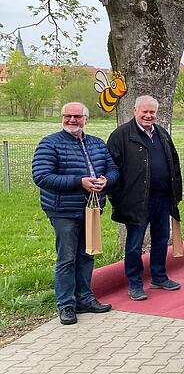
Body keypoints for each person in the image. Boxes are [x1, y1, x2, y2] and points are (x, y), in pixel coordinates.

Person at [32, 102, 119, 324]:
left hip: (92, 209)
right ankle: (66, 305)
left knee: (87, 254)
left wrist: (106, 180)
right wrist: (79, 182)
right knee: (67, 258)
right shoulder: (49, 143)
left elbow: (113, 169)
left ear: (86, 119)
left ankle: (84, 298)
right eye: (68, 116)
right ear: (62, 118)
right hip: (63, 210)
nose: (72, 120)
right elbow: (41, 176)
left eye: (77, 117)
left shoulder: (97, 144)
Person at [107, 95, 183, 301]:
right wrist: (118, 199)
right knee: (134, 243)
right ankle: (135, 283)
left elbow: (173, 164)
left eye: (152, 112)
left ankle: (159, 276)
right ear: (134, 111)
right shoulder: (121, 135)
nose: (149, 116)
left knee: (161, 238)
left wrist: (176, 193)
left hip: (162, 199)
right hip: (136, 200)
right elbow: (111, 168)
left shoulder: (162, 134)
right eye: (145, 112)